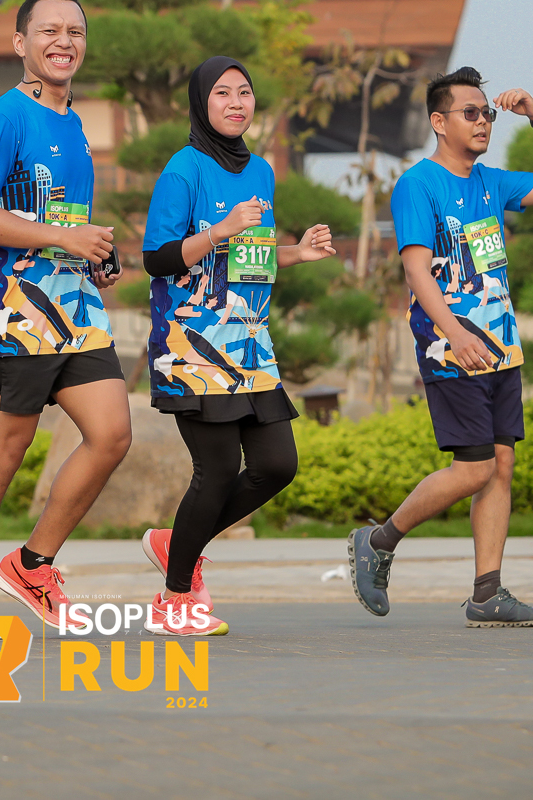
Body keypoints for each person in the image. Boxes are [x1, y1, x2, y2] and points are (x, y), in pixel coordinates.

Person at [0, 0, 130, 632]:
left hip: (74, 309)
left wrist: (93, 256)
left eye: (75, 32)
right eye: (49, 31)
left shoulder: (73, 124)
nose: (64, 41)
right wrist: (64, 239)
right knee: (6, 453)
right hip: (12, 311)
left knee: (112, 435)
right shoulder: (5, 117)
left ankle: (31, 566)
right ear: (21, 43)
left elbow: (58, 219)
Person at [345, 66, 533, 627]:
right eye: (470, 113)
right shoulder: (418, 184)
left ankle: (487, 594)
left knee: (501, 465)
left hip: (500, 345)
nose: (483, 122)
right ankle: (378, 540)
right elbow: (416, 271)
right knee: (474, 468)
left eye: (487, 113)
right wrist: (454, 332)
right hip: (450, 346)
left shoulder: (491, 183)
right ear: (438, 122)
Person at [138, 57, 337, 636]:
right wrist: (219, 229)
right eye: (222, 93)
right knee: (219, 470)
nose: (235, 103)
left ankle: (177, 543)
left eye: (244, 92)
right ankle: (174, 598)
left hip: (250, 345)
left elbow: (251, 257)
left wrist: (296, 252)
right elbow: (157, 258)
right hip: (192, 344)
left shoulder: (261, 172)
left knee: (277, 466)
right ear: (202, 103)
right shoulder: (183, 169)